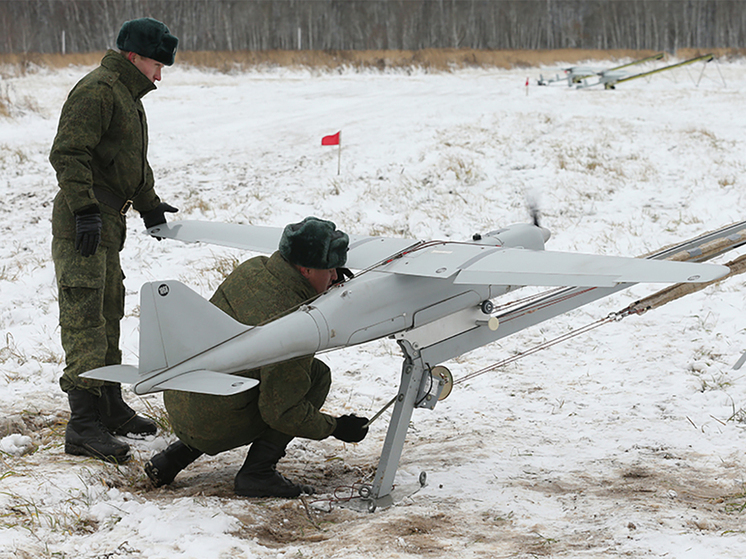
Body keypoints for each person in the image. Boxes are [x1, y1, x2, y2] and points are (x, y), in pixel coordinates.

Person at [144, 217, 370, 498]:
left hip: (182, 398)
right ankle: (257, 473)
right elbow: (282, 411)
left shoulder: (253, 270)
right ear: (306, 269)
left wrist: (325, 281)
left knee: (240, 373)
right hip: (213, 420)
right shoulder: (294, 319)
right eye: (330, 269)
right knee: (317, 377)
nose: (336, 277)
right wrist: (335, 427)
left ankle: (173, 458)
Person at [50, 18, 180, 463]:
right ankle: (83, 426)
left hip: (108, 219)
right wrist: (85, 209)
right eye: (156, 64)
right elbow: (68, 153)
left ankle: (109, 406)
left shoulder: (126, 96)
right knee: (85, 316)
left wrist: (149, 204)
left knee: (107, 312)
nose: (160, 74)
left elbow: (127, 165)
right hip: (84, 220)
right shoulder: (99, 91)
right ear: (133, 57)